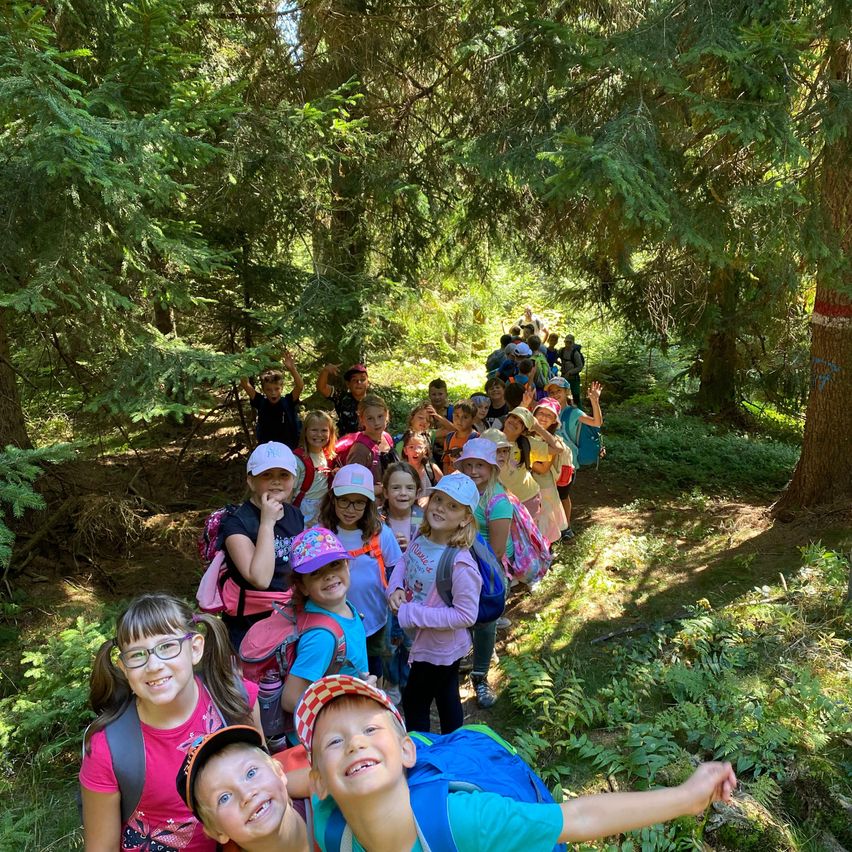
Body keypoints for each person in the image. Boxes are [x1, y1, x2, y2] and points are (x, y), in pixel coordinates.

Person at [299, 675, 738, 852]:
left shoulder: (463, 820)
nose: (356, 743)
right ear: (319, 781)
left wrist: (686, 796)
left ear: (408, 751)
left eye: (371, 730)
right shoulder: (330, 828)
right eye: (335, 741)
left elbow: (579, 817)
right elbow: (287, 783)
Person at [80, 593, 262, 852]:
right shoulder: (107, 748)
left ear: (195, 648)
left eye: (167, 646)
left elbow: (265, 778)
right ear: (123, 666)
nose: (153, 665)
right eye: (137, 655)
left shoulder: (235, 698)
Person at [387, 473, 481, 733]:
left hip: (438, 648)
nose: (440, 507)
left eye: (453, 506)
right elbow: (405, 561)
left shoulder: (461, 565)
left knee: (415, 701)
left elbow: (465, 616)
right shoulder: (421, 534)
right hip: (421, 639)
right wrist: (394, 587)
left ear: (465, 519)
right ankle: (454, 744)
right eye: (438, 499)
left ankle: (423, 752)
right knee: (445, 692)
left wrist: (412, 613)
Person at [318, 465, 403, 681]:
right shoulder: (322, 534)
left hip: (373, 620)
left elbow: (397, 567)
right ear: (333, 499)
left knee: (373, 670)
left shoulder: (381, 533)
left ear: (368, 505)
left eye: (359, 502)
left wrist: (397, 589)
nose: (350, 508)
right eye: (344, 500)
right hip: (332, 622)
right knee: (338, 671)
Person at [281, 527, 372, 716]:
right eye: (315, 573)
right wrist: (354, 695)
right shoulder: (322, 638)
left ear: (347, 565)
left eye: (335, 564)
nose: (329, 575)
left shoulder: (344, 607)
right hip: (325, 732)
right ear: (302, 587)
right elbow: (291, 700)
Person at [222, 442, 305, 649]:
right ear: (251, 481)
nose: (276, 481)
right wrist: (267, 523)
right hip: (249, 626)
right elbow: (260, 579)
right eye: (266, 475)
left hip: (290, 617)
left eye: (283, 475)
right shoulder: (236, 522)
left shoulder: (295, 515)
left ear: (294, 480)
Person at [176, 725, 309, 852]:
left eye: (251, 773)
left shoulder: (323, 788)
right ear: (217, 832)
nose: (246, 794)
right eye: (224, 798)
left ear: (279, 773)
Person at [454, 437, 513, 709]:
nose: (474, 471)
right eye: (469, 465)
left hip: (487, 576)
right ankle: (461, 657)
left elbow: (497, 552)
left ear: (492, 469)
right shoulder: (460, 493)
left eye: (480, 465)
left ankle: (480, 676)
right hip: (458, 570)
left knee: (485, 624)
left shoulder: (498, 502)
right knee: (460, 619)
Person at [378, 462, 424, 704]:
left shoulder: (426, 519)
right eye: (396, 487)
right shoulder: (377, 520)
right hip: (384, 595)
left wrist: (413, 547)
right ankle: (392, 682)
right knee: (388, 645)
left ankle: (409, 682)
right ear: (385, 491)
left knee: (411, 640)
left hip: (416, 594)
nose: (402, 493)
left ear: (417, 492)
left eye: (409, 487)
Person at [557, 380, 603, 541]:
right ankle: (553, 528)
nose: (555, 395)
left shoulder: (573, 413)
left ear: (566, 393)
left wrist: (594, 401)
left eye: (559, 391)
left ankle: (566, 527)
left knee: (562, 495)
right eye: (551, 392)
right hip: (547, 461)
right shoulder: (545, 410)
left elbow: (596, 423)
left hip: (567, 462)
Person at [239, 351, 304, 449]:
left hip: (288, 448)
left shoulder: (288, 401)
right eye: (269, 390)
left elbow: (300, 386)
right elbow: (245, 384)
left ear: (281, 388)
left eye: (277, 389)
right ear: (263, 390)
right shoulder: (261, 402)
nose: (273, 393)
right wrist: (245, 366)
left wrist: (292, 369)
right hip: (266, 449)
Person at [530, 398, 569, 545]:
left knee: (545, 524)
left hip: (544, 488)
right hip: (526, 487)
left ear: (554, 421)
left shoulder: (553, 441)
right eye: (541, 413)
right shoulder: (526, 436)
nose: (544, 417)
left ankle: (545, 553)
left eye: (549, 415)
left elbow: (543, 468)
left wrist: (521, 459)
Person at [345, 394, 397, 501]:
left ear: (386, 415)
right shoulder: (360, 450)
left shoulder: (387, 437)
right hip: (371, 507)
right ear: (362, 419)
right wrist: (383, 489)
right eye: (370, 418)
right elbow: (354, 487)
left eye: (380, 416)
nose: (376, 423)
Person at [292, 410, 336, 527]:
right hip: (304, 507)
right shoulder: (298, 460)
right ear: (305, 432)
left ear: (330, 433)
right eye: (314, 430)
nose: (319, 435)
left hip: (323, 506)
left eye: (324, 430)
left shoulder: (327, 455)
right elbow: (289, 490)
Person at [499, 407, 542, 522]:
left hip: (527, 498)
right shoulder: (490, 437)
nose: (515, 422)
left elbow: (558, 449)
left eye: (521, 423)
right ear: (506, 418)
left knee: (528, 537)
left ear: (524, 430)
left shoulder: (527, 442)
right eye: (513, 417)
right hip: (500, 501)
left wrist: (538, 428)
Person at [316, 363, 369, 438]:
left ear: (368, 383)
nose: (359, 383)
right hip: (345, 443)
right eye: (354, 380)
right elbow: (322, 388)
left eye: (362, 379)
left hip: (368, 443)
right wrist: (325, 371)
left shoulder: (373, 401)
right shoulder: (341, 397)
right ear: (348, 384)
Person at [400, 429, 442, 498]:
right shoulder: (400, 471)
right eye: (411, 447)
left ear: (425, 450)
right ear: (405, 451)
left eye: (419, 447)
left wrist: (429, 497)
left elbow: (445, 489)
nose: (416, 451)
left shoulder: (432, 469)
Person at [441, 399, 478, 475]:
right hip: (451, 481)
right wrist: (446, 477)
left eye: (465, 417)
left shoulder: (476, 438)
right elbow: (446, 462)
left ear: (473, 420)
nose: (459, 420)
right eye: (457, 416)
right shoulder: (449, 438)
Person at [427, 379, 453, 468]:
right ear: (429, 395)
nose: (437, 397)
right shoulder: (425, 410)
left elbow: (454, 430)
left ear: (446, 394)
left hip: (448, 453)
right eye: (434, 394)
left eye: (440, 394)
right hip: (429, 452)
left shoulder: (452, 411)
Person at [558, 334, 585, 404]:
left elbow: (580, 366)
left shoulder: (575, 353)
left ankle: (579, 412)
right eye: (567, 342)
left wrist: (570, 372)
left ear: (573, 343)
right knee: (563, 396)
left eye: (570, 342)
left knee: (576, 398)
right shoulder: (561, 351)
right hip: (563, 377)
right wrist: (560, 365)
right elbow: (555, 358)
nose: (568, 344)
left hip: (574, 379)